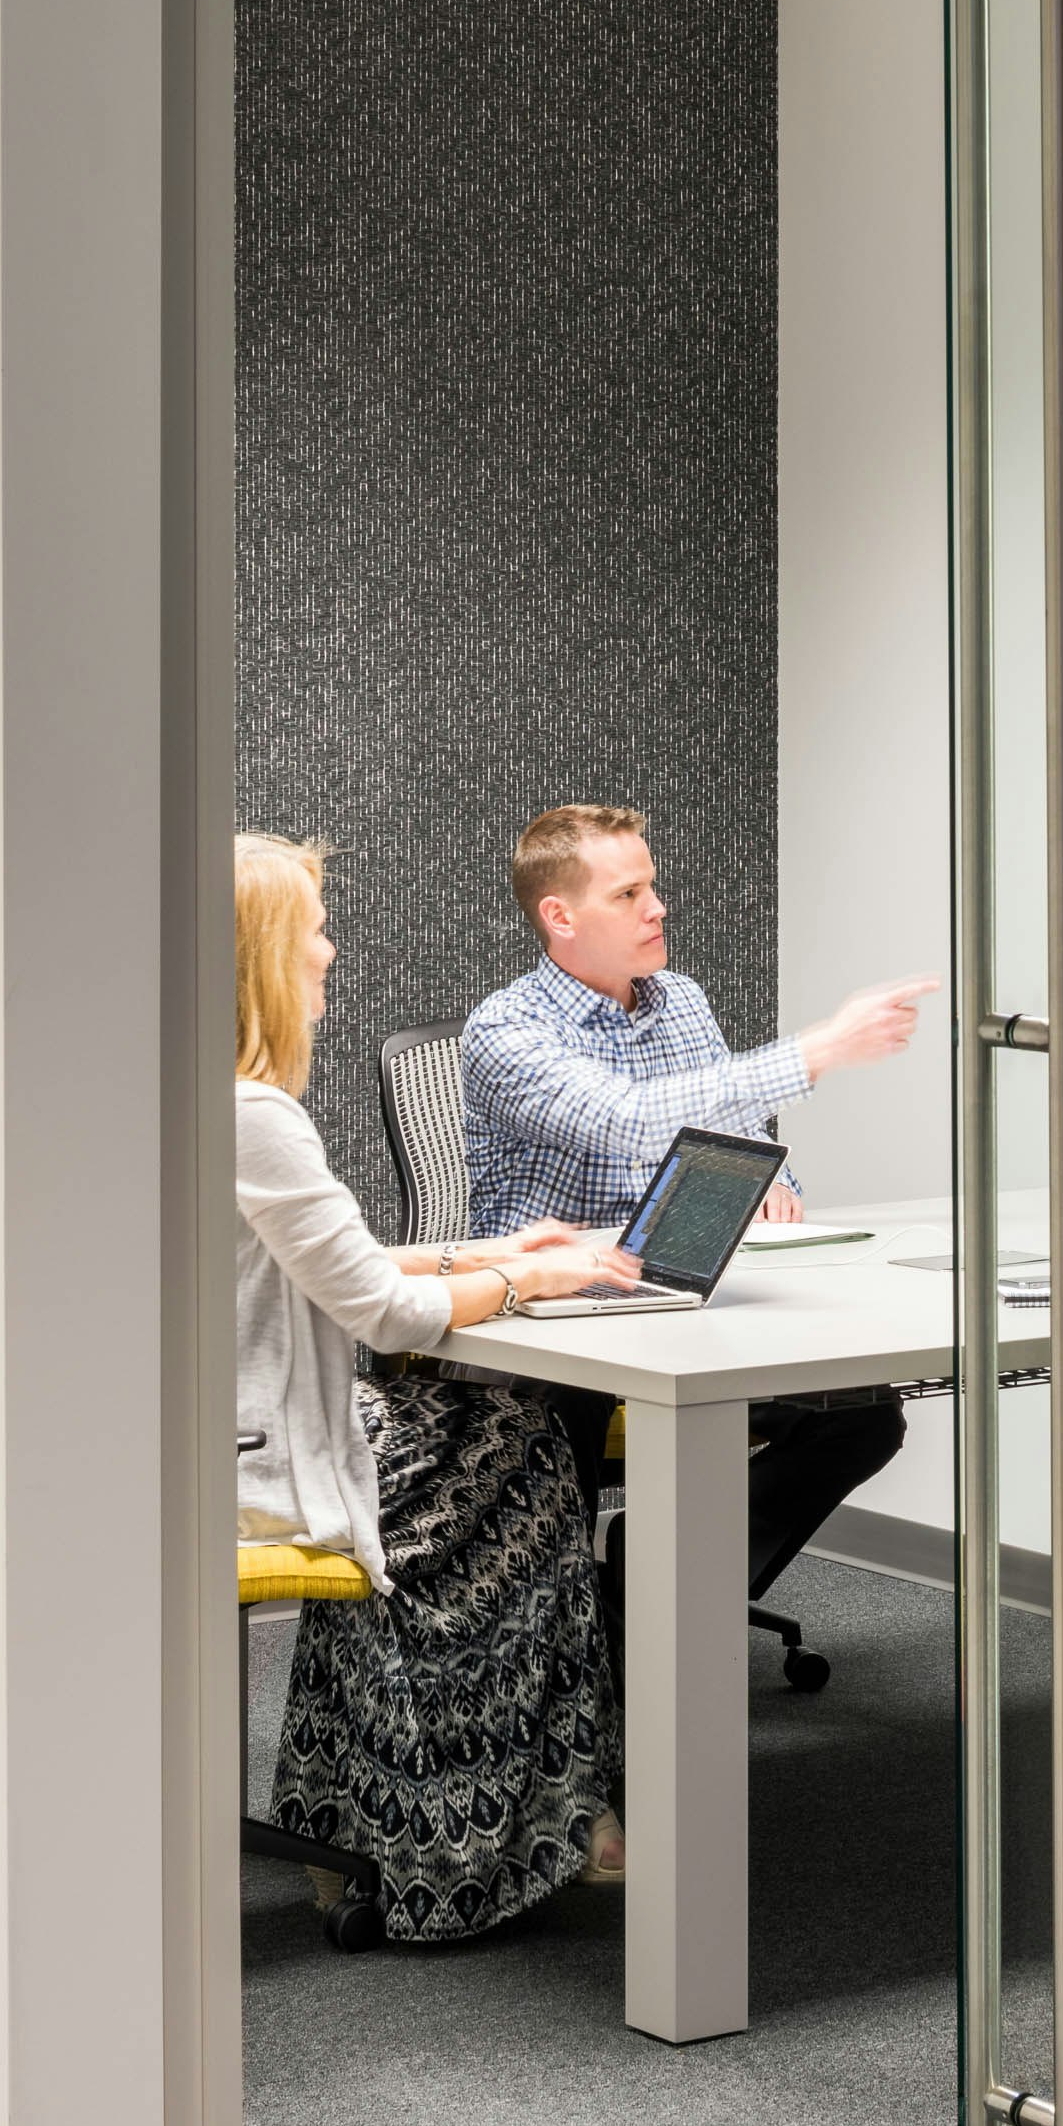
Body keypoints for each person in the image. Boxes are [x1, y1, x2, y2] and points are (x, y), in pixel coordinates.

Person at [236, 831, 646, 1940]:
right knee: (526, 1447)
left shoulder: (184, 1097)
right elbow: (387, 1314)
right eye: (314, 930)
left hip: (195, 1436)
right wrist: (533, 1280)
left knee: (503, 1433)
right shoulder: (257, 1117)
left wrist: (498, 1254)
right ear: (265, 956)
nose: (329, 950)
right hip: (258, 1461)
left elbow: (347, 1259)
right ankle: (474, 1842)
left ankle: (367, 1812)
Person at [458, 802, 937, 1614]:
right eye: (629, 893)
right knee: (555, 1427)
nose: (658, 907)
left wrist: (771, 1189)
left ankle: (659, 1589)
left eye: (654, 885)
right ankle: (573, 1650)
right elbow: (624, 1116)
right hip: (549, 1319)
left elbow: (737, 1139)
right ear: (559, 915)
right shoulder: (504, 1030)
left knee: (861, 1415)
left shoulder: (679, 1000)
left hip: (686, 1297)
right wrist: (818, 1049)